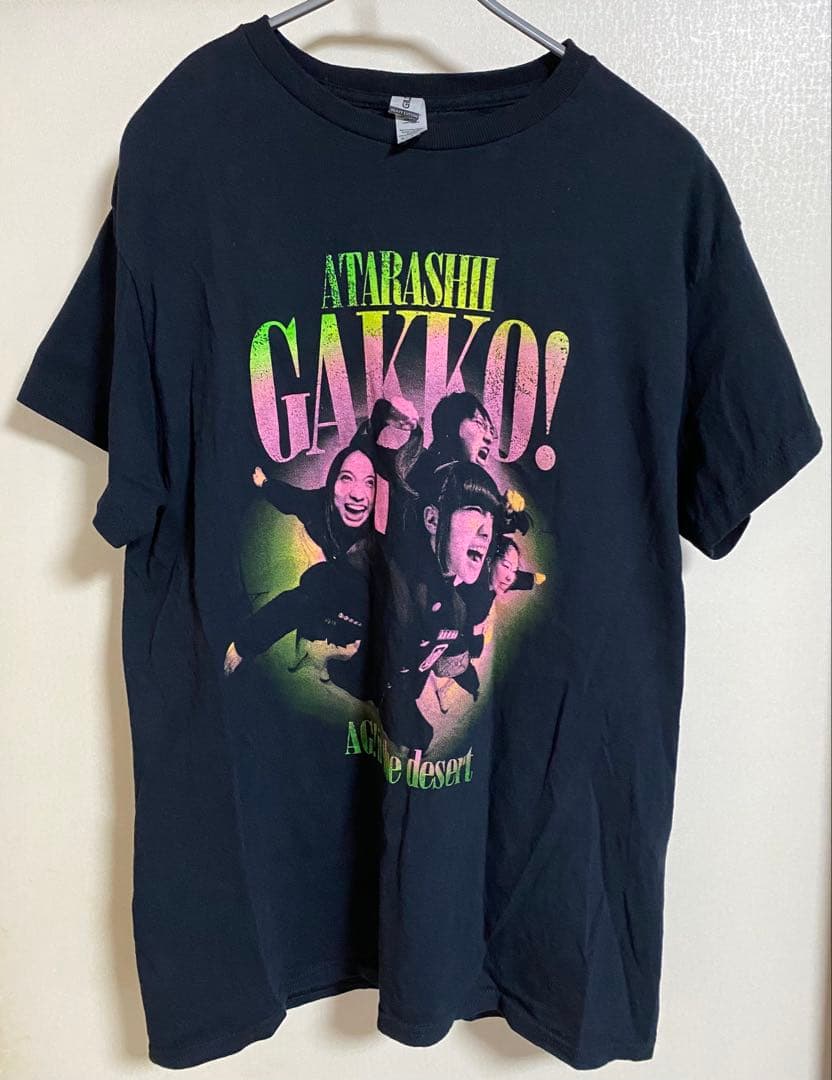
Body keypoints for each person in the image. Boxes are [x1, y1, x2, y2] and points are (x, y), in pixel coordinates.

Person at [328, 459, 502, 752]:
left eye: (491, 516)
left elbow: (451, 650)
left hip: (403, 687)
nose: (487, 531)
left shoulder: (456, 607)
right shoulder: (394, 576)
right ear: (432, 520)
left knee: (420, 737)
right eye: (474, 510)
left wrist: (471, 681)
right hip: (377, 677)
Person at [223, 445, 376, 675]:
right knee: (315, 585)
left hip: (383, 604)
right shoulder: (321, 506)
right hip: (343, 587)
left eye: (369, 483)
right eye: (346, 478)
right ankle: (310, 645)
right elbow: (293, 499)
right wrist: (265, 484)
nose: (357, 494)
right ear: (332, 483)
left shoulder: (390, 525)